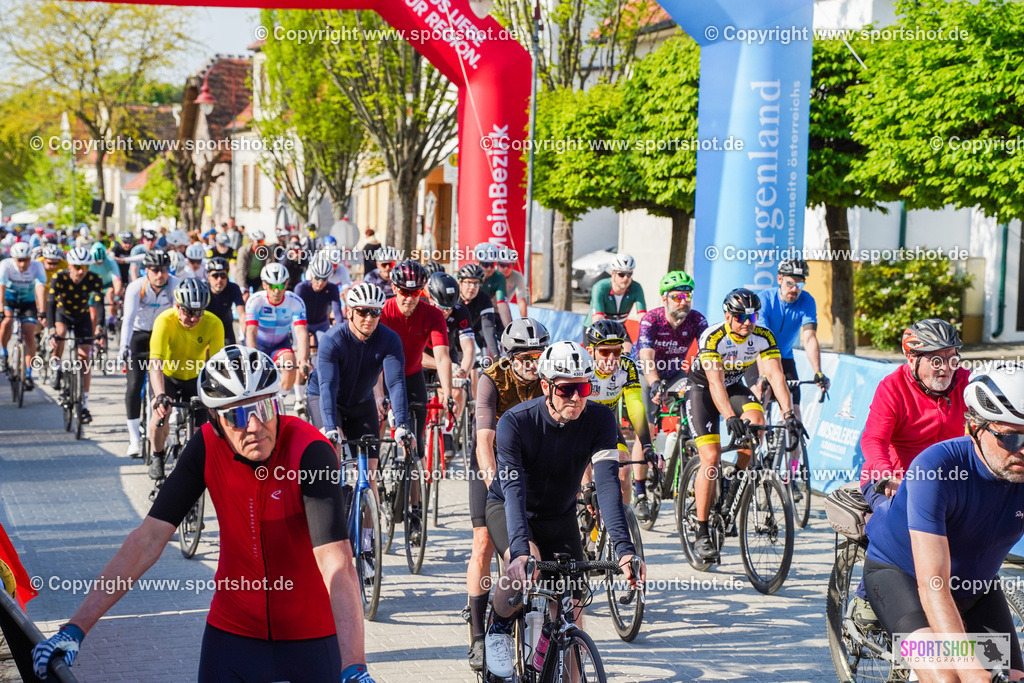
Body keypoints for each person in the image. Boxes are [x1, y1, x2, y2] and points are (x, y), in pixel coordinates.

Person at [32, 345, 376, 683]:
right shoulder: (206, 446)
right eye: (238, 416)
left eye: (264, 407)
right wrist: (75, 628)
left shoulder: (310, 450)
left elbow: (337, 564)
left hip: (311, 637)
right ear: (215, 420)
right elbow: (147, 540)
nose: (255, 425)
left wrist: (354, 666)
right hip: (233, 633)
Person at [483, 340, 645, 678]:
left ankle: (562, 662)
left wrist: (625, 550)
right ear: (545, 386)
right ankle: (498, 627)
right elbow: (513, 491)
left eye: (583, 388)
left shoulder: (600, 419)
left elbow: (607, 486)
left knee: (571, 610)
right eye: (566, 390)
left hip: (559, 515)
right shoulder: (516, 422)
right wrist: (519, 551)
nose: (576, 398)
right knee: (524, 569)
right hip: (510, 507)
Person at [861, 367, 1024, 682]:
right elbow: (933, 583)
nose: (1022, 449)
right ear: (974, 429)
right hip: (903, 578)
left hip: (976, 586)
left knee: (1013, 677)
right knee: (949, 676)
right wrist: (969, 668)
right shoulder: (936, 468)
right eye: (1010, 437)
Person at [849, 320, 969, 629]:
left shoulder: (965, 382)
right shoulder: (893, 387)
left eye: (952, 359)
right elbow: (873, 439)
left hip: (946, 481)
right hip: (893, 477)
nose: (946, 369)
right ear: (912, 358)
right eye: (936, 360)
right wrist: (885, 473)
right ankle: (867, 597)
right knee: (901, 525)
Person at [686, 288, 798, 562]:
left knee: (757, 425)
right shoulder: (713, 337)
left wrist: (788, 414)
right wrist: (730, 417)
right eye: (740, 317)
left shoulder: (763, 336)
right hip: (703, 390)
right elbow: (715, 384)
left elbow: (776, 376)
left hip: (734, 386)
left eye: (752, 317)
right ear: (728, 316)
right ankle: (701, 531)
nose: (747, 323)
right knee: (711, 457)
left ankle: (733, 484)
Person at [465, 318, 548, 671]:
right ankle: (478, 635)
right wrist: (496, 492)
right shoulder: (491, 379)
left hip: (528, 462)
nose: (533, 365)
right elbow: (484, 441)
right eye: (525, 358)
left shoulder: (549, 377)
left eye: (538, 357)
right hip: (491, 464)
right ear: (509, 357)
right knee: (483, 541)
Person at [310, 283, 412, 481]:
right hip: (326, 397)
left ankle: (368, 500)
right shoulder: (333, 340)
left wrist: (401, 423)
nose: (369, 318)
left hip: (361, 402)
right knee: (333, 448)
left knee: (370, 472)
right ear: (349, 312)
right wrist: (330, 427)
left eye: (375, 313)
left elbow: (396, 383)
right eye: (363, 312)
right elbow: (328, 386)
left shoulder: (389, 339)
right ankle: (334, 495)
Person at [380, 261, 453, 541]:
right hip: (381, 376)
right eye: (403, 292)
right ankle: (374, 491)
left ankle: (415, 511)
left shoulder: (432, 314)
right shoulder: (384, 311)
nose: (409, 298)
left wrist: (447, 392)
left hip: (412, 379)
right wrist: (379, 398)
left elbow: (442, 356)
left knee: (416, 450)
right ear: (393, 288)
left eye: (415, 293)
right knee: (375, 434)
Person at [146, 279, 224, 483]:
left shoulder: (214, 323)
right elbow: (155, 363)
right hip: (168, 377)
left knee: (201, 432)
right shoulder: (164, 320)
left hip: (195, 379)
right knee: (161, 413)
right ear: (177, 305)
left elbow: (217, 365)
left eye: (199, 312)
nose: (193, 318)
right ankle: (157, 455)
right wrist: (160, 396)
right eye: (188, 311)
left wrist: (219, 394)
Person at [584, 319, 659, 520]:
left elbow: (635, 406)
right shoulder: (582, 366)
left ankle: (621, 525)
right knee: (580, 480)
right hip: (578, 425)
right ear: (591, 351)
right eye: (604, 352)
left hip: (606, 424)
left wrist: (646, 445)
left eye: (616, 351)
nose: (611, 358)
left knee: (624, 471)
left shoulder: (627, 366)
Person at [744, 258, 829, 416]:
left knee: (793, 409)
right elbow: (761, 341)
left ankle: (791, 431)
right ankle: (755, 430)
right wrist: (764, 375)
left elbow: (809, 338)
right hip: (756, 356)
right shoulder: (764, 299)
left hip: (784, 357)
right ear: (779, 279)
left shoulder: (807, 301)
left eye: (800, 285)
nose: (794, 289)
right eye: (790, 283)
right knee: (763, 394)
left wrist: (818, 372)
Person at [118, 250, 178, 457]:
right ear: (146, 271)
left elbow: (179, 314)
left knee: (162, 387)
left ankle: (163, 427)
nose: (160, 274)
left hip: (163, 335)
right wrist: (123, 347)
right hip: (139, 335)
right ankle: (134, 438)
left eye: (164, 270)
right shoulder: (136, 287)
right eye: (155, 270)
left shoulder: (175, 284)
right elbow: (128, 319)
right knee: (134, 384)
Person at [635, 270, 708, 430]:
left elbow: (707, 353)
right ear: (664, 298)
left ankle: (682, 439)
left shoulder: (697, 320)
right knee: (646, 429)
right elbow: (646, 357)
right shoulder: (651, 320)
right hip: (645, 373)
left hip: (674, 374)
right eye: (677, 297)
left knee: (691, 408)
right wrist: (654, 383)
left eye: (687, 296)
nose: (683, 301)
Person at [46, 247, 104, 421]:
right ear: (70, 266)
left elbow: (99, 304)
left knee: (84, 357)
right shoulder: (59, 277)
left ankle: (84, 404)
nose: (80, 271)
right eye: (77, 267)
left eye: (84, 267)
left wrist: (100, 328)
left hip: (82, 316)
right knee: (60, 334)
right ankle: (55, 366)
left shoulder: (94, 279)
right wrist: (51, 330)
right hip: (62, 314)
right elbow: (50, 304)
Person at [244, 262, 309, 398]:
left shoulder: (295, 301)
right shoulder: (255, 300)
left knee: (290, 365)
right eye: (273, 286)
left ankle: (279, 400)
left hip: (280, 344)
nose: (277, 291)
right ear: (264, 285)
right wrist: (253, 357)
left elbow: (301, 332)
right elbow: (251, 331)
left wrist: (303, 359)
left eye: (280, 286)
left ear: (286, 284)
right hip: (258, 344)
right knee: (255, 378)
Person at [0, 242, 46, 387]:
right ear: (13, 259)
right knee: (6, 322)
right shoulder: (5, 265)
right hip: (9, 300)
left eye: (26, 260)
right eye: (19, 260)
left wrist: (42, 311)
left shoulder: (37, 266)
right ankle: (3, 353)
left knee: (29, 335)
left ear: (30, 258)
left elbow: (40, 288)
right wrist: (1, 309)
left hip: (28, 303)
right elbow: (1, 288)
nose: (22, 264)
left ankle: (28, 373)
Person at [585, 254, 647, 337]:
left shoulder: (636, 287)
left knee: (627, 345)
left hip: (618, 327)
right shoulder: (600, 287)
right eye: (621, 274)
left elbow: (642, 316)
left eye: (629, 274)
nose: (625, 278)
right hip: (596, 327)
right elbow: (598, 318)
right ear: (613, 273)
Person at [294, 255, 341, 349]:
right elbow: (296, 312)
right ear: (311, 276)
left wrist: (341, 333)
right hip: (303, 323)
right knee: (303, 345)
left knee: (326, 347)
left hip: (321, 324)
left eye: (324, 279)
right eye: (317, 278)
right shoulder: (301, 288)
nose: (320, 283)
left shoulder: (332, 288)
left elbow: (337, 312)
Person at [457, 263, 500, 364]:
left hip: (474, 329)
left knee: (483, 337)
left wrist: (496, 356)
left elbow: (488, 327)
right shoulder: (453, 297)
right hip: (453, 332)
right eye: (468, 282)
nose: (472, 287)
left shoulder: (484, 298)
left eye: (476, 283)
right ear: (460, 283)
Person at [205, 257, 245, 346]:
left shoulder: (233, 288)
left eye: (223, 276)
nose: (219, 279)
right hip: (206, 328)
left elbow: (242, 314)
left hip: (225, 329)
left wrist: (246, 336)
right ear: (208, 278)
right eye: (215, 276)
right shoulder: (203, 290)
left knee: (233, 353)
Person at [475, 242, 511, 328]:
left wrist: (509, 329)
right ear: (477, 262)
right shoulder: (466, 274)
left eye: (492, 265)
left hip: (486, 311)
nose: (489, 268)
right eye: (485, 264)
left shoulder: (499, 277)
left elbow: (502, 305)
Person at [234, 228, 268, 296]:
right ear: (251, 241)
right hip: (246, 278)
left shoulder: (267, 251)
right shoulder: (243, 251)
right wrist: (242, 286)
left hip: (259, 279)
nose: (261, 244)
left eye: (262, 241)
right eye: (258, 241)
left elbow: (269, 267)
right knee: (244, 296)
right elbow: (241, 269)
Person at [495, 248, 528, 319]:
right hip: (486, 309)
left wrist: (524, 319)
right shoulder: (491, 274)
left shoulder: (517, 277)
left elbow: (521, 300)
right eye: (502, 265)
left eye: (509, 266)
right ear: (497, 265)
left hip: (503, 309)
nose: (506, 269)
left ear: (513, 266)